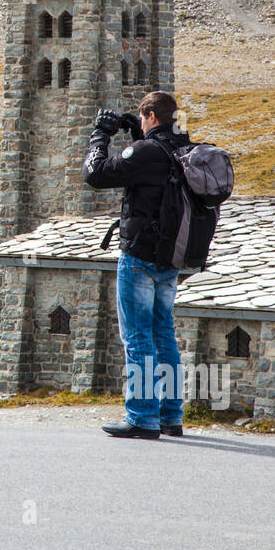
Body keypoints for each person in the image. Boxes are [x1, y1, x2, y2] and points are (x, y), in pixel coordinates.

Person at [83, 91, 191, 439]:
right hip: (171, 259)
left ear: (152, 117)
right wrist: (135, 135)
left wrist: (101, 134)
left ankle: (142, 418)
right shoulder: (184, 150)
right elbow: (152, 179)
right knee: (164, 335)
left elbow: (96, 174)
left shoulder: (148, 152)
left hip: (140, 257)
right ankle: (170, 415)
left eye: (143, 119)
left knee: (138, 336)